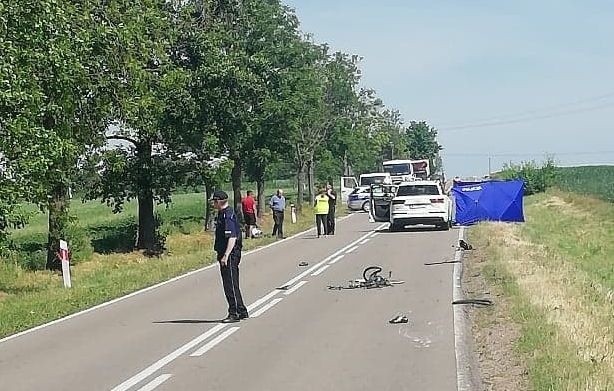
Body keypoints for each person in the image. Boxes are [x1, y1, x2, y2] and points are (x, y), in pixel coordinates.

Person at [212, 190, 248, 323]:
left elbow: (232, 236)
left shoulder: (227, 215)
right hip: (229, 253)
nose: (213, 204)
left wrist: (226, 255)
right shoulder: (225, 213)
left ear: (218, 201)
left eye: (214, 201)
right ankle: (241, 310)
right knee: (233, 283)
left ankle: (234, 312)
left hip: (230, 254)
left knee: (230, 284)